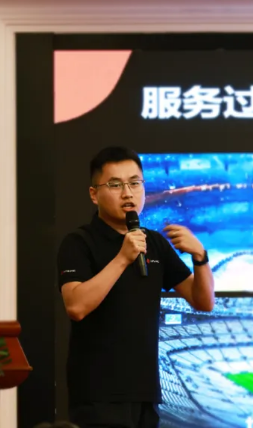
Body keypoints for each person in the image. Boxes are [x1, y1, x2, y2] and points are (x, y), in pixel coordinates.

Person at [57, 146, 215, 428]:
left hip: (145, 393)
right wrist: (122, 258)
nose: (127, 193)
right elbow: (76, 306)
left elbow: (203, 301)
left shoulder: (154, 242)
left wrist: (200, 258)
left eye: (134, 183)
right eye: (115, 185)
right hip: (98, 395)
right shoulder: (79, 243)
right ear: (94, 194)